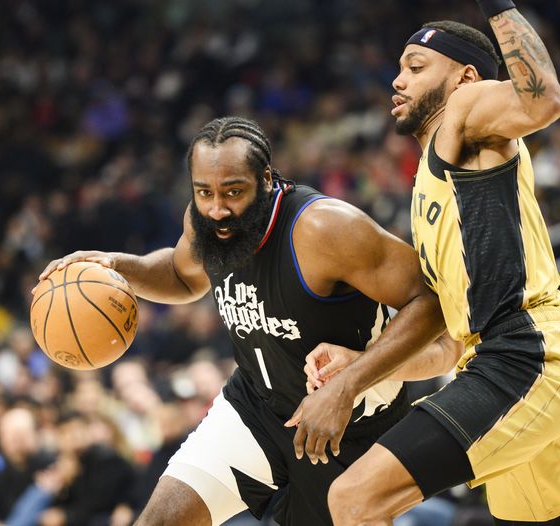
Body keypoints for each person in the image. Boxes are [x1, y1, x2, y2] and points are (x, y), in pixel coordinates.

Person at [35, 116, 450, 525]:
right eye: (204, 192)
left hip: (350, 420)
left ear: (266, 179)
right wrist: (115, 267)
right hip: (254, 407)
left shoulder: (325, 229)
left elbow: (429, 304)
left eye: (233, 191)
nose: (217, 209)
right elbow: (182, 276)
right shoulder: (205, 222)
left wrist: (348, 383)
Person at [291, 2, 560, 524]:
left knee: (353, 499)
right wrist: (360, 366)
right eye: (398, 68)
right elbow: (447, 348)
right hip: (508, 361)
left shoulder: (462, 111)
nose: (397, 80)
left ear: (465, 77)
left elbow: (544, 98)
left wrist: (497, 7)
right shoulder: (432, 187)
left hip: (528, 358)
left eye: (415, 66)